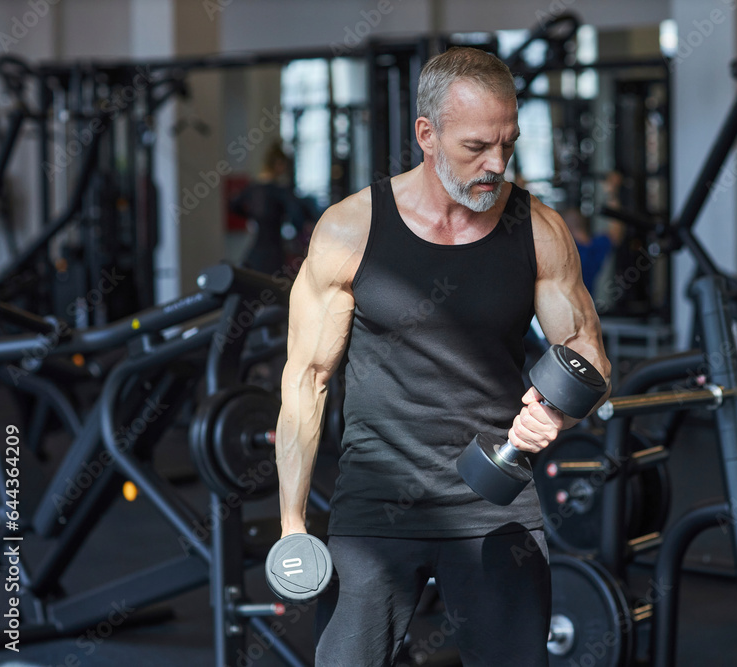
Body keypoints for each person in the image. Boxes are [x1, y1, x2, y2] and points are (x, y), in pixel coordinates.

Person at [274, 47, 611, 667]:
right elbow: (308, 379)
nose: (496, 164)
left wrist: (555, 408)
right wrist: (293, 521)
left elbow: (585, 346)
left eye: (507, 144)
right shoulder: (350, 230)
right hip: (377, 497)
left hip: (496, 498)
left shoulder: (536, 228)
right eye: (476, 147)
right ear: (426, 134)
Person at [229, 141, 307, 275]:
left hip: (256, 251)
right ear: (278, 165)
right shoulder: (280, 191)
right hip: (274, 252)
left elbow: (233, 205)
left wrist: (253, 216)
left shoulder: (253, 188)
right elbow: (297, 217)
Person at [561, 171, 626, 296]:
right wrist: (611, 191)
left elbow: (616, 231)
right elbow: (616, 231)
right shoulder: (584, 250)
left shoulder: (586, 250)